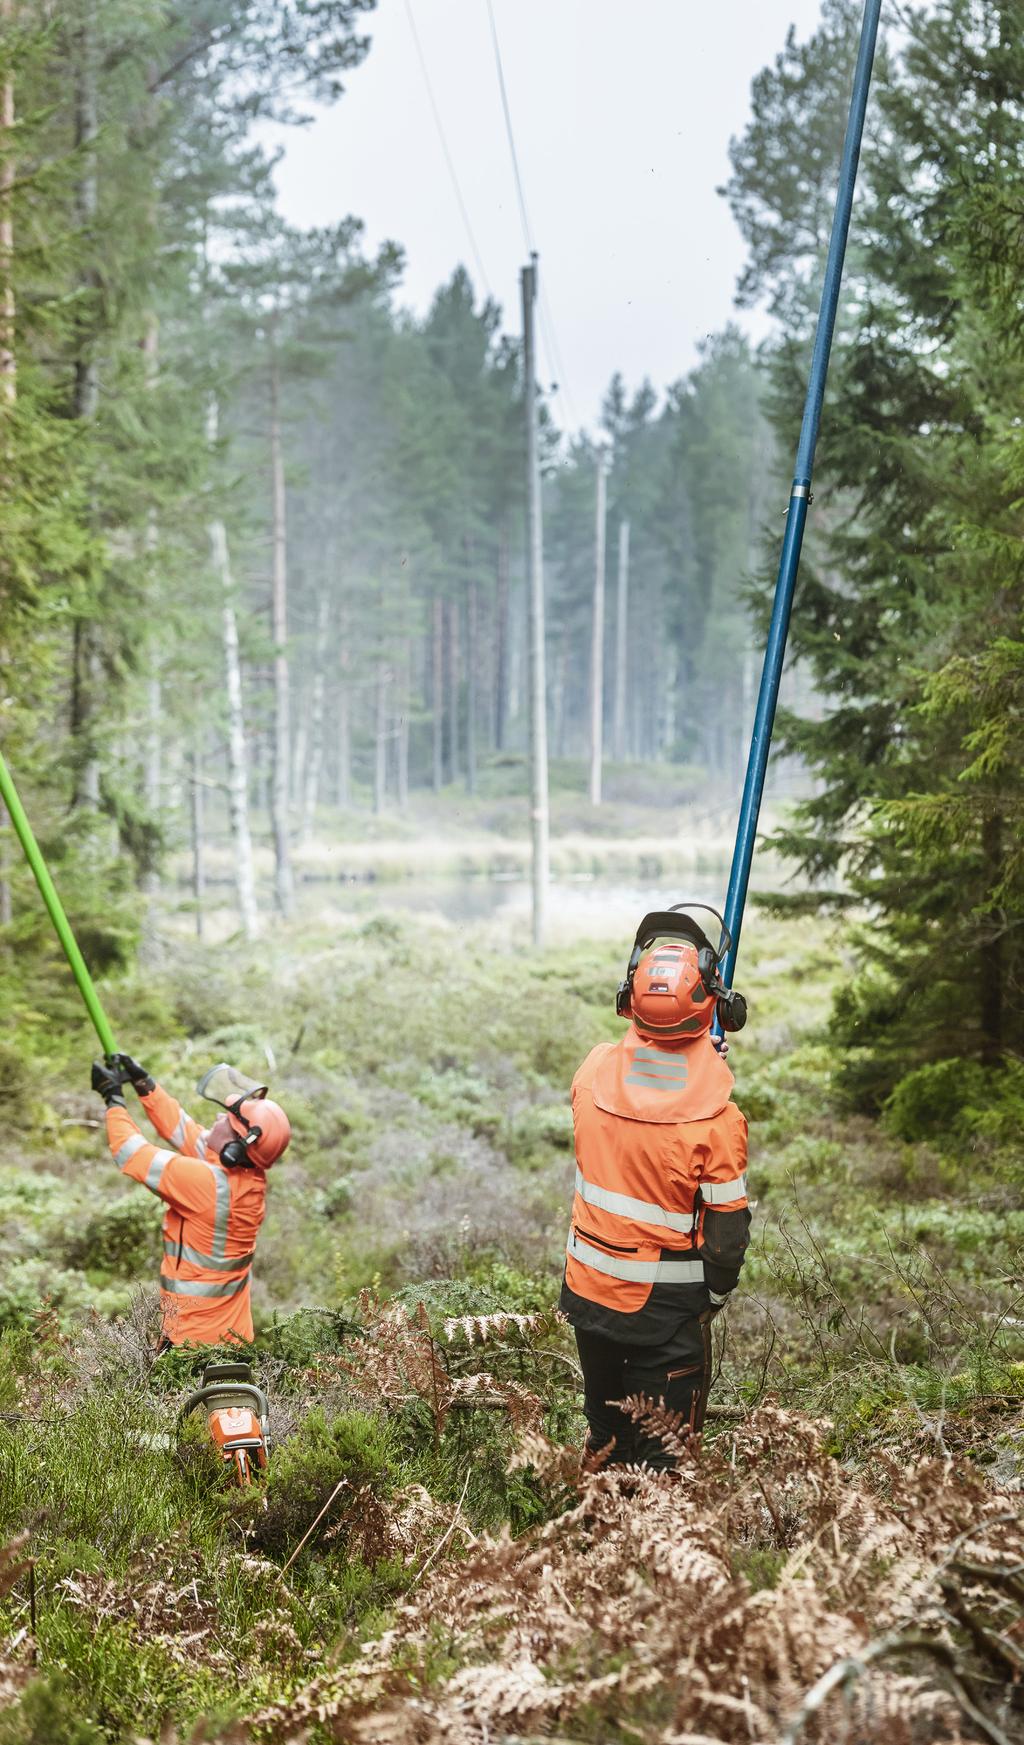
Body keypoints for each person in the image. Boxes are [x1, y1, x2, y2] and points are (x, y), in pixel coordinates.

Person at [560, 906, 750, 1470]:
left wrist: (692, 1060)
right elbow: (726, 1241)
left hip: (589, 1296)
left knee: (607, 1437)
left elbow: (641, 1077)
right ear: (715, 1005)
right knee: (668, 1461)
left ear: (629, 998)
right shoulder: (718, 1118)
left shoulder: (591, 1072)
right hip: (664, 1318)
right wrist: (712, 1300)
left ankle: (595, 1544)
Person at [90, 1056, 291, 1350]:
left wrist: (113, 1099)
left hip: (192, 1343)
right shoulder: (246, 1175)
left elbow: (130, 1152)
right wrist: (145, 1085)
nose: (219, 1118)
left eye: (228, 1119)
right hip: (230, 1337)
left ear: (236, 1147)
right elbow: (184, 1131)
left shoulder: (207, 1185)